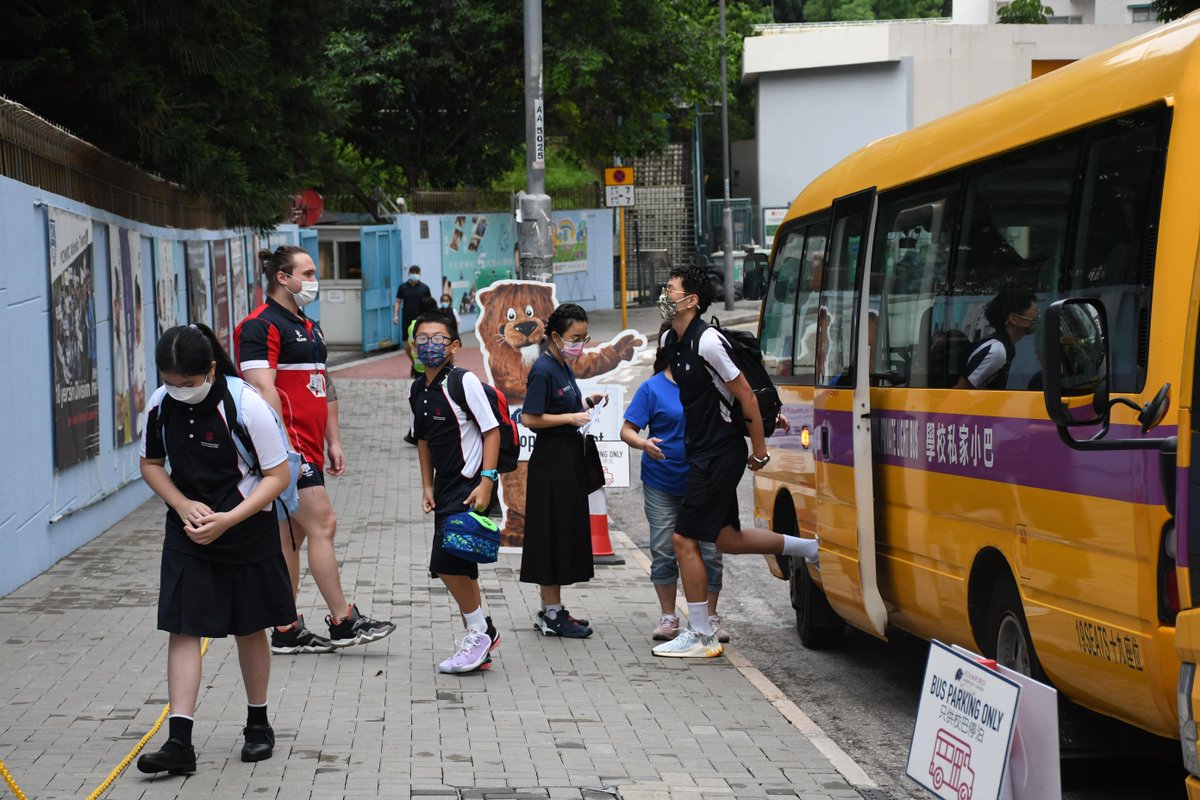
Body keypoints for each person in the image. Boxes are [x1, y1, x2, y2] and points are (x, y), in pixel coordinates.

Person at [136, 323, 295, 774]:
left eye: (187, 383)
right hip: (188, 532)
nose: (178, 391)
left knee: (250, 626)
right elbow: (151, 464)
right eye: (170, 382)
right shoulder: (160, 404)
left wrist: (228, 519)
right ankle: (179, 742)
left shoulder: (245, 404)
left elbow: (278, 476)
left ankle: (258, 725)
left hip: (245, 527)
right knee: (183, 628)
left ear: (209, 369)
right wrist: (181, 505)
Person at [652, 265, 819, 659]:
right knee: (726, 538)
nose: (664, 295)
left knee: (683, 538)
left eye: (670, 289)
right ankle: (810, 549)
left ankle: (701, 633)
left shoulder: (708, 342)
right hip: (701, 450)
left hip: (721, 452)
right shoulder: (669, 338)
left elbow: (745, 396)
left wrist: (759, 452)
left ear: (691, 301)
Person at [236, 246, 394, 654]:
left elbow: (325, 384)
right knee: (323, 523)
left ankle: (286, 628)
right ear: (282, 278)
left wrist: (333, 440)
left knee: (293, 534)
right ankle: (344, 621)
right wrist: (283, 450)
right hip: (287, 450)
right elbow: (261, 389)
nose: (313, 280)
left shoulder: (309, 325)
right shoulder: (259, 326)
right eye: (307, 273)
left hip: (310, 446)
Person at [410, 311, 503, 672]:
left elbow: (491, 430)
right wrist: (426, 485)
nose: (429, 346)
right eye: (422, 339)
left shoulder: (463, 382)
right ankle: (481, 636)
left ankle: (479, 633)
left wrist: (487, 481)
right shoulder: (419, 389)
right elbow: (422, 440)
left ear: (454, 346)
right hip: (444, 486)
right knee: (463, 566)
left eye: (438, 339)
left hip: (470, 485)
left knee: (445, 564)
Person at [622, 344, 728, 643]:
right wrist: (644, 444)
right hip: (662, 482)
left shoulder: (711, 384)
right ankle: (668, 616)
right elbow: (627, 430)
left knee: (710, 551)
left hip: (705, 483)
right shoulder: (652, 388)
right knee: (663, 550)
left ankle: (709, 616)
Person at [520, 303, 605, 638]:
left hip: (567, 462)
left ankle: (549, 610)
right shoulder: (543, 369)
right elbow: (530, 417)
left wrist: (585, 404)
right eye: (575, 338)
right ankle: (553, 614)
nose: (580, 344)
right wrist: (571, 418)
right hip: (550, 466)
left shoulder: (562, 366)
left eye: (584, 338)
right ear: (555, 336)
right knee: (550, 537)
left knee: (560, 535)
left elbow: (559, 406)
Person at [955, 288, 1038, 390]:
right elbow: (961, 391)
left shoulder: (1004, 346)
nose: (1036, 318)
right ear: (1013, 319)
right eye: (1035, 313)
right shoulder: (996, 352)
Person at [393, 264, 432, 340]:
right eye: (412, 273)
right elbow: (398, 301)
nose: (414, 275)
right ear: (408, 273)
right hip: (407, 317)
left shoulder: (425, 288)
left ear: (420, 274)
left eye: (416, 273)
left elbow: (429, 303)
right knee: (406, 339)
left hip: (421, 317)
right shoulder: (402, 287)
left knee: (420, 338)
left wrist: (430, 317)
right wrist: (395, 315)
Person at [406, 295, 440, 378]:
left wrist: (414, 362)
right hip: (436, 368)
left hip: (419, 367)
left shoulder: (412, 326)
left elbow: (407, 348)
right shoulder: (439, 325)